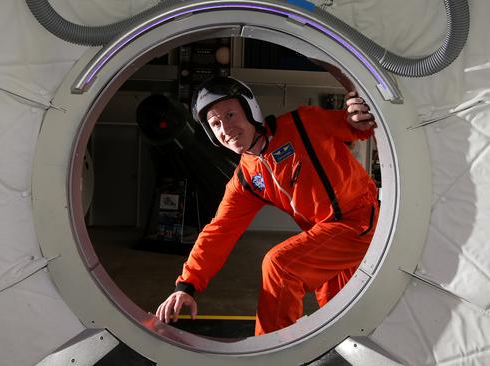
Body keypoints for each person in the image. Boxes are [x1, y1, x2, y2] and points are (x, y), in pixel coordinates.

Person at [155, 76, 379, 335]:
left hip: (359, 221)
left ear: (251, 110)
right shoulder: (247, 178)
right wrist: (187, 285)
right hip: (326, 239)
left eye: (230, 115)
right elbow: (219, 232)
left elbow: (357, 127)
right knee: (340, 320)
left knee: (280, 266)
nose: (226, 129)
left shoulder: (302, 124)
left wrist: (358, 116)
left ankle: (272, 355)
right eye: (215, 124)